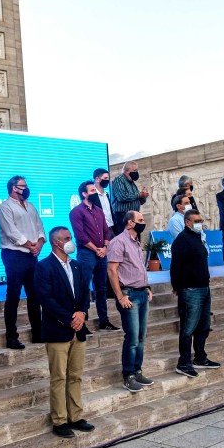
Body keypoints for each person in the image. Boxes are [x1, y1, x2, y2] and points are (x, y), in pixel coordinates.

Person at [34, 226, 95, 438]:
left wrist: (82, 313)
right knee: (59, 377)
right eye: (67, 238)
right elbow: (46, 299)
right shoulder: (44, 267)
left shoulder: (77, 266)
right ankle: (59, 420)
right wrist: (70, 318)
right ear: (56, 242)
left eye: (71, 237)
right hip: (57, 330)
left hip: (78, 330)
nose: (71, 241)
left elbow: (85, 293)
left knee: (75, 376)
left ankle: (76, 416)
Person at [107, 211, 154, 393]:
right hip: (128, 295)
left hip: (142, 293)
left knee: (141, 337)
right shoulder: (118, 241)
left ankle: (138, 370)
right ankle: (128, 375)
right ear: (129, 223)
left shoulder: (136, 242)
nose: (143, 222)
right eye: (140, 220)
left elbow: (138, 268)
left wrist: (147, 287)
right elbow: (112, 270)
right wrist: (120, 296)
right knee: (132, 337)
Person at [170, 209, 220, 377]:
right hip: (190, 289)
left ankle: (200, 357)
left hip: (204, 287)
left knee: (204, 326)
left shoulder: (198, 238)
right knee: (188, 328)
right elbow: (175, 266)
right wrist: (177, 286)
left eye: (201, 220)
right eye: (196, 220)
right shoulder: (182, 240)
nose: (200, 223)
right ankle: (183, 362)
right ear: (187, 222)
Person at [0, 175, 45, 349]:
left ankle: (38, 333)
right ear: (13, 188)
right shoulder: (4, 207)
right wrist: (29, 244)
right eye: (22, 186)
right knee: (13, 296)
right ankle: (11, 337)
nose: (26, 188)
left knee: (35, 295)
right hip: (14, 254)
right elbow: (11, 232)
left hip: (32, 255)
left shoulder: (31, 206)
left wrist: (38, 244)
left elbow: (40, 227)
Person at [69, 180, 118, 331]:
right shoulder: (76, 212)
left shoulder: (99, 210)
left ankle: (104, 321)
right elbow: (81, 236)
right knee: (83, 287)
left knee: (101, 288)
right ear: (84, 194)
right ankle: (81, 322)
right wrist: (97, 249)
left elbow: (107, 231)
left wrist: (104, 247)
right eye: (92, 191)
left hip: (102, 253)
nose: (95, 193)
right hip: (87, 254)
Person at [110, 161, 149, 235]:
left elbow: (140, 201)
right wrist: (139, 195)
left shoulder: (132, 184)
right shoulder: (119, 180)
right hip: (122, 217)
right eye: (134, 170)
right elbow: (122, 197)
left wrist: (144, 196)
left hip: (134, 217)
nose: (137, 173)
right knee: (125, 241)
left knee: (134, 240)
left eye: (137, 170)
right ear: (126, 171)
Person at [92, 168, 115, 234]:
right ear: (97, 179)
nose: (107, 180)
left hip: (111, 227)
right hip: (100, 230)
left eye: (108, 178)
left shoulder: (106, 194)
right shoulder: (92, 196)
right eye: (105, 178)